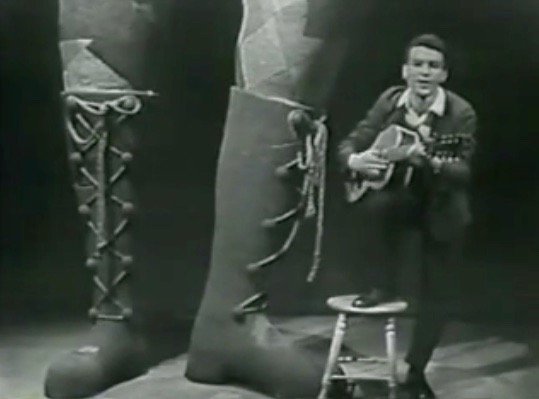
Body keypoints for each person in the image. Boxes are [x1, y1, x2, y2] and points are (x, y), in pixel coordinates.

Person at [337, 33, 477, 398]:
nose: (424, 73)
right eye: (418, 64)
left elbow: (462, 171)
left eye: (433, 66)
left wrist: (430, 161)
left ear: (444, 75)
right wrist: (355, 160)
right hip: (401, 199)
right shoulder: (389, 100)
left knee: (438, 294)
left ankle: (415, 371)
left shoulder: (460, 113)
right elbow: (354, 140)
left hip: (442, 207)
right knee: (377, 206)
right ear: (406, 70)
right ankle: (381, 283)